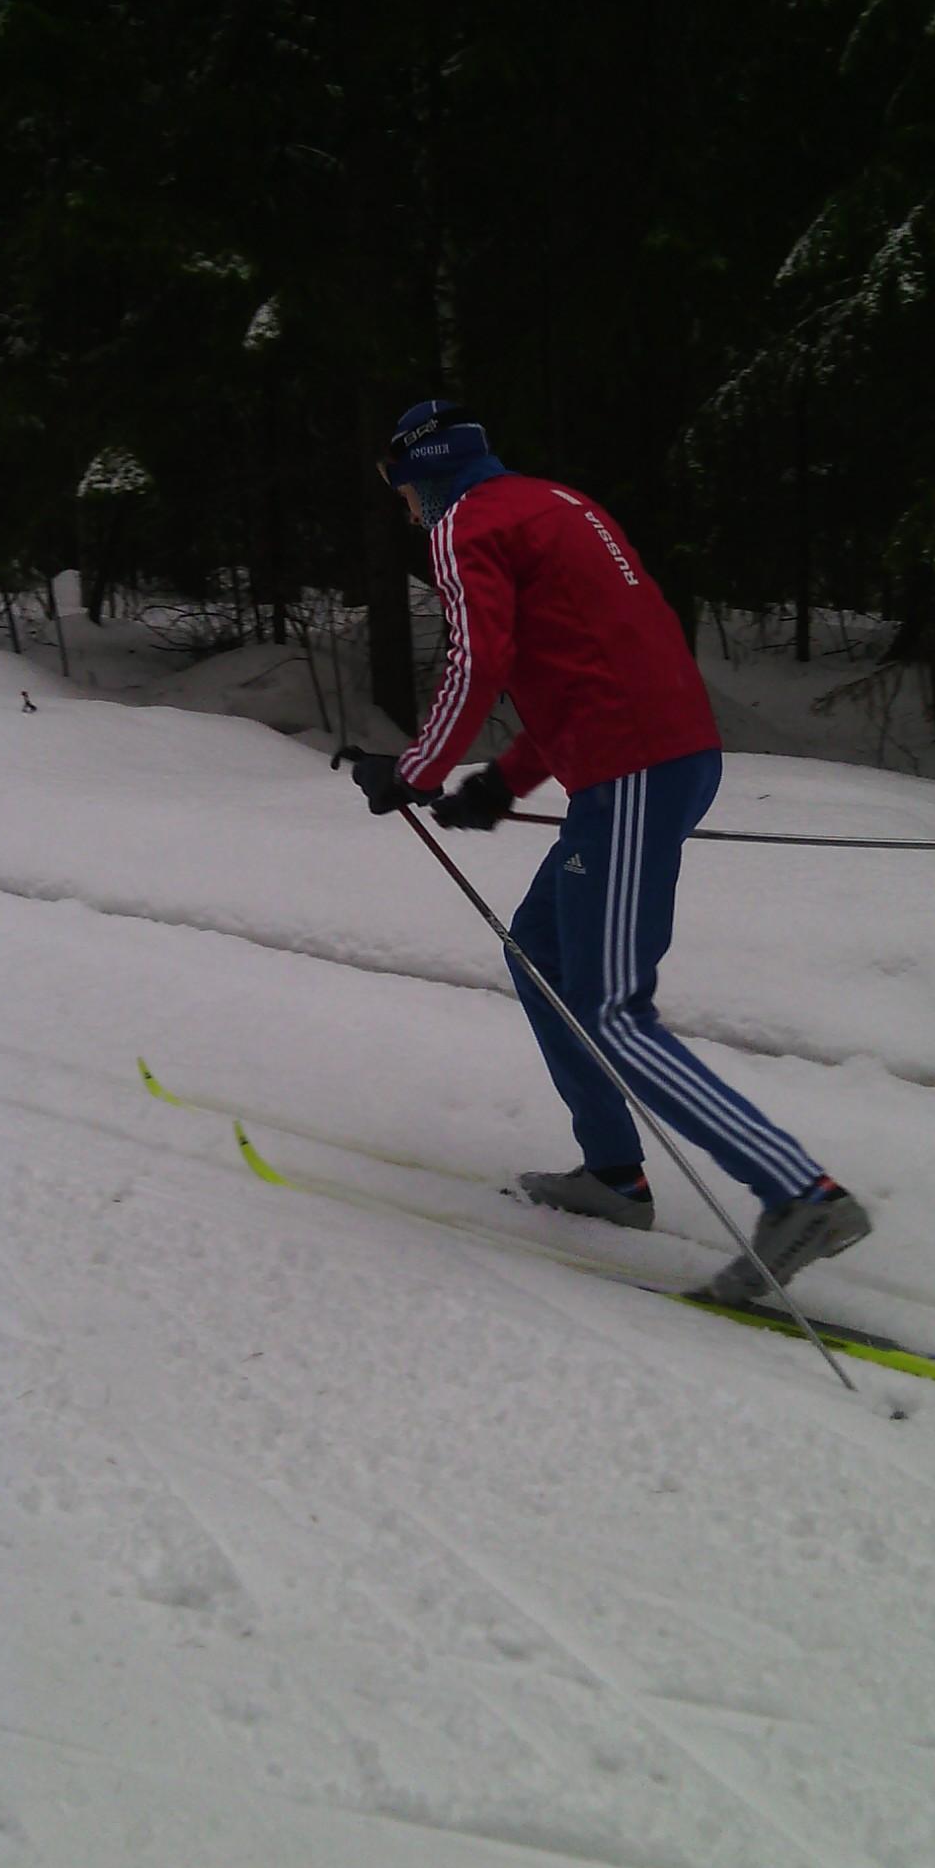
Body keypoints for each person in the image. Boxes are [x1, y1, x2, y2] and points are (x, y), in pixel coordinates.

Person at [349, 399, 870, 1299]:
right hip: (648, 758)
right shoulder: (552, 503)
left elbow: (476, 661)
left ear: (414, 479)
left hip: (634, 771)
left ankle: (800, 1193)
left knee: (613, 1009)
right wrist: (506, 779)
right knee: (541, 953)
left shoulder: (464, 522)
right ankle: (614, 1175)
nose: (403, 510)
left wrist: (416, 770)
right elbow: (595, 665)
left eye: (398, 491)